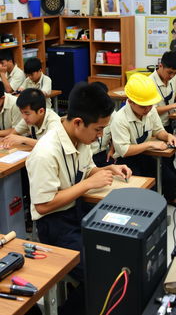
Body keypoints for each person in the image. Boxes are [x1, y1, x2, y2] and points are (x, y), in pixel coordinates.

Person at [26, 82, 131, 289]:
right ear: (78, 122)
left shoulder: (80, 138)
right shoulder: (45, 153)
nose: (100, 135)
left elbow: (86, 169)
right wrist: (88, 184)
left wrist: (108, 170)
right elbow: (43, 206)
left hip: (78, 211)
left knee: (122, 249)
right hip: (55, 224)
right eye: (98, 129)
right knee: (100, 272)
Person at [111, 73, 176, 206]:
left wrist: (168, 136)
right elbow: (124, 150)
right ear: (130, 101)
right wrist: (150, 145)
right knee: (144, 186)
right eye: (143, 106)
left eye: (150, 105)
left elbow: (158, 130)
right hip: (127, 159)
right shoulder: (120, 119)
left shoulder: (150, 110)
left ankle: (169, 198)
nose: (148, 109)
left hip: (145, 154)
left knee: (169, 177)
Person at [149, 51, 176, 132]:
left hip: (170, 122)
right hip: (155, 127)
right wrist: (175, 105)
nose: (172, 76)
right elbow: (151, 110)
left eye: (175, 73)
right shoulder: (149, 82)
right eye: (169, 72)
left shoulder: (173, 77)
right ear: (160, 66)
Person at [90, 82, 116, 167]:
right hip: (89, 157)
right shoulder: (86, 115)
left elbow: (116, 134)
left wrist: (112, 150)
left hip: (104, 154)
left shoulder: (111, 114)